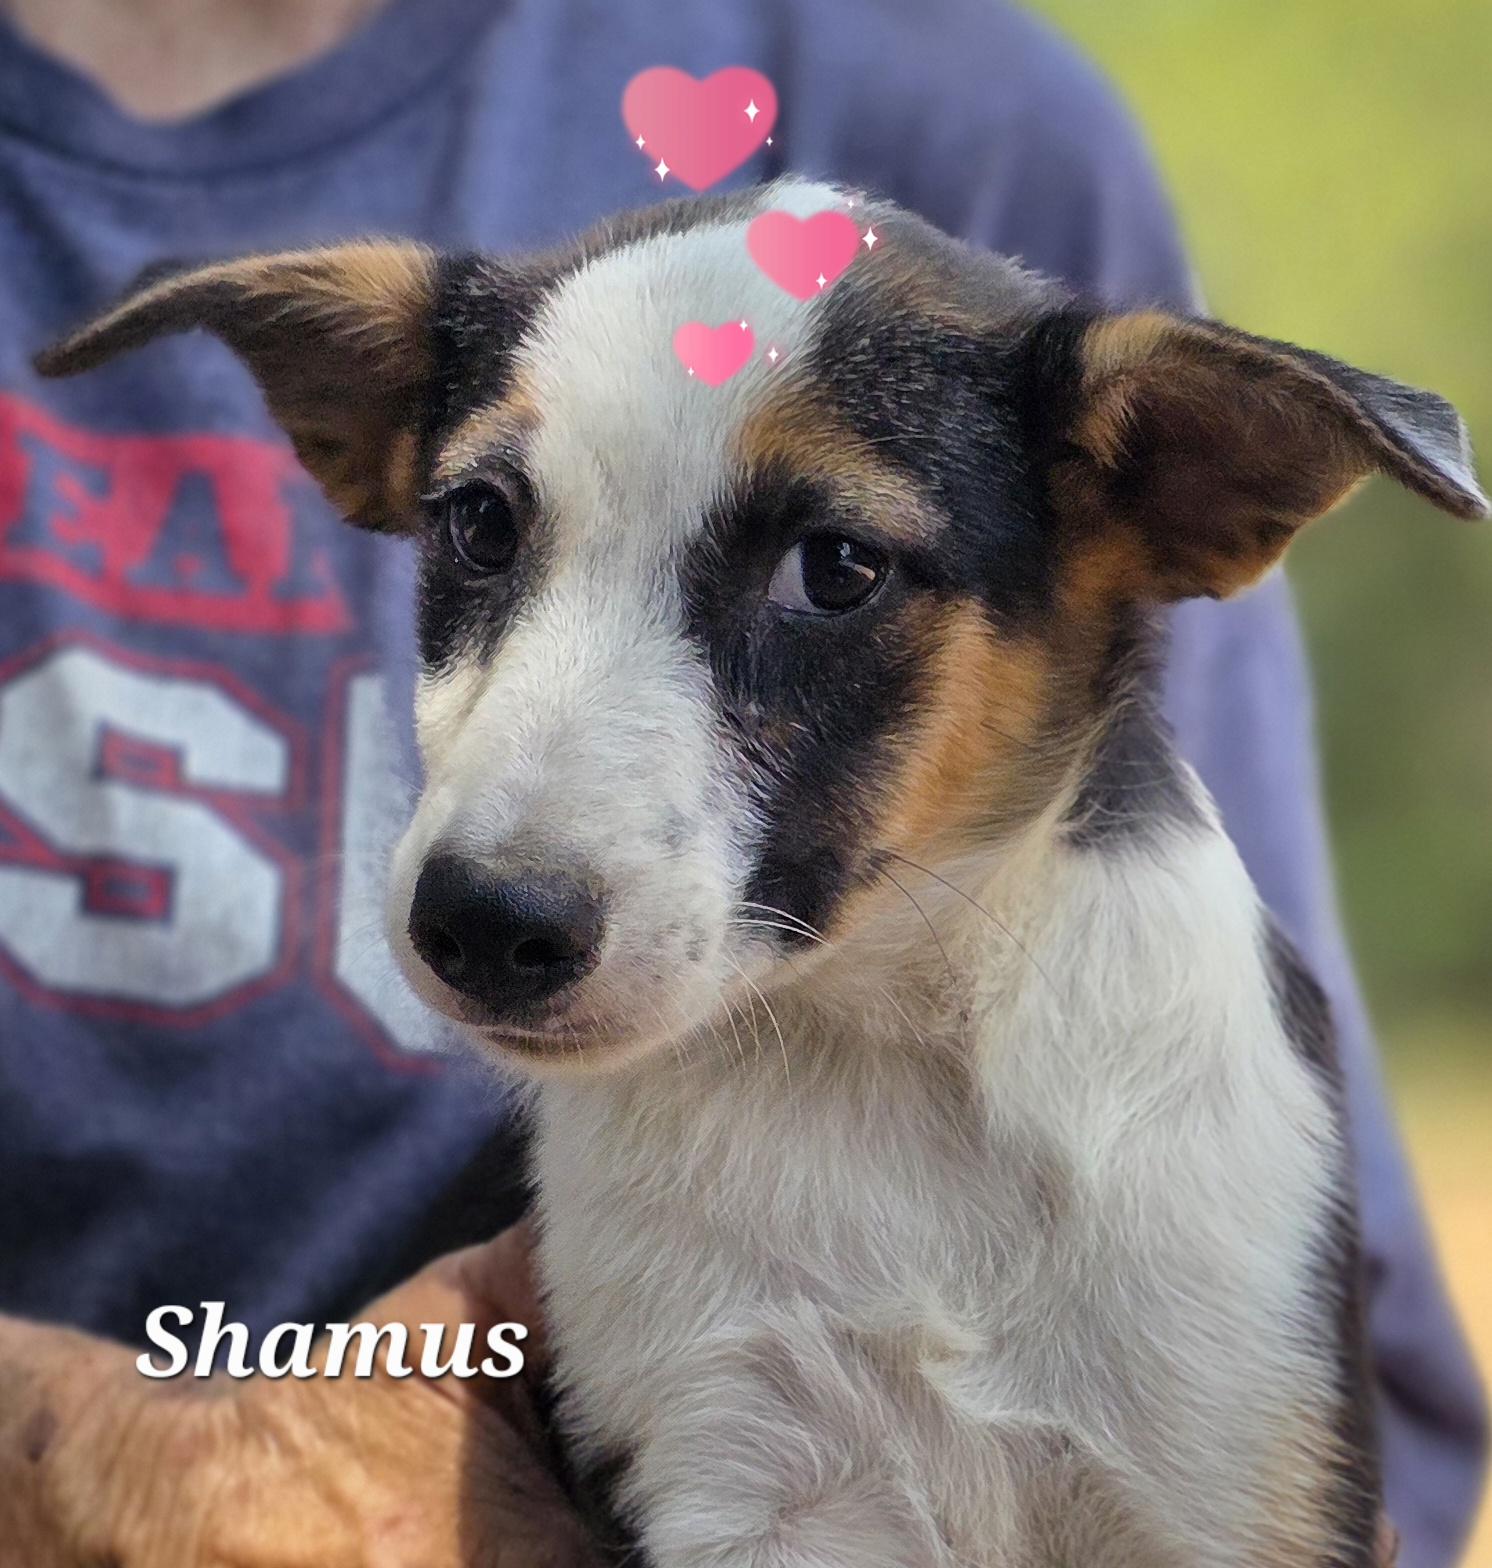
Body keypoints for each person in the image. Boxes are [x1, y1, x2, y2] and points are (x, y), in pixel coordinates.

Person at [0, 0, 1483, 1563]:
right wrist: (101, 1462)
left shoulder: (971, 117)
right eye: (489, 528)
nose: (513, 848)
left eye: (833, 570)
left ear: (1187, 489)